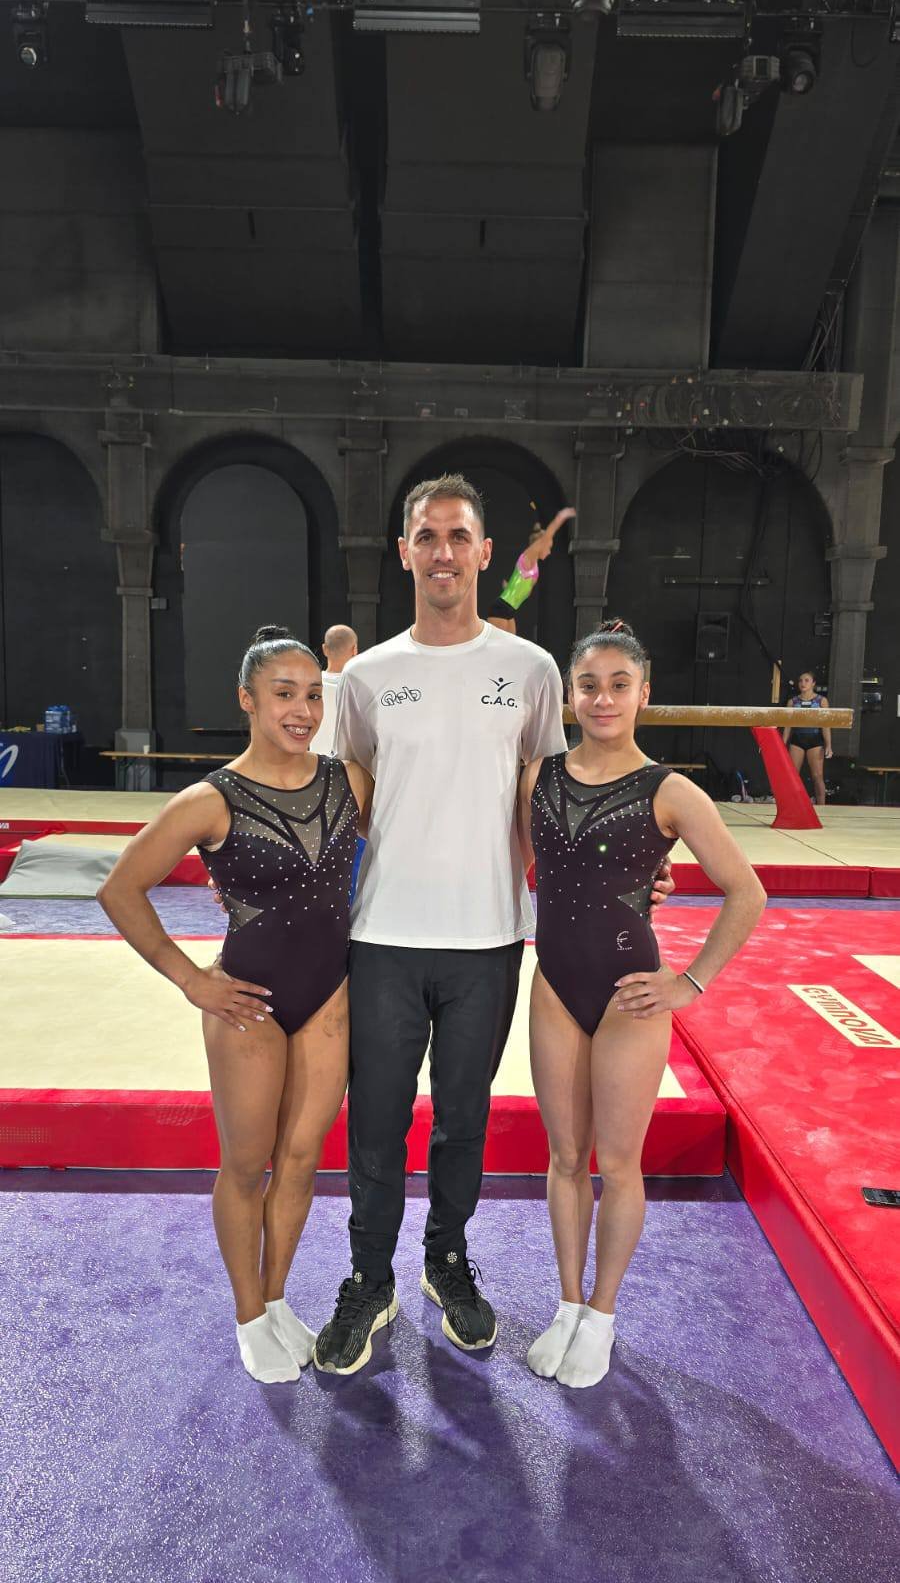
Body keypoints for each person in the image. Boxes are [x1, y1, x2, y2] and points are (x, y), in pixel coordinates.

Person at [312, 475, 675, 1377]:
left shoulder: (534, 672)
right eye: (426, 536)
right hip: (386, 932)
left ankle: (445, 1259)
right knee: (377, 1122)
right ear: (405, 552)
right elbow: (340, 793)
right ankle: (368, 1276)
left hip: (489, 937)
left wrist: (630, 879)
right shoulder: (367, 676)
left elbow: (562, 799)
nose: (442, 551)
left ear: (483, 554)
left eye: (458, 536)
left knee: (462, 1120)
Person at [97, 626, 373, 1385]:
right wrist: (190, 978)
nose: (302, 709)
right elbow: (120, 890)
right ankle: (249, 1313)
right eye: (284, 694)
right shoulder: (210, 798)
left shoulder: (348, 782)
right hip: (247, 1001)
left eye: (314, 694)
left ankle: (279, 1297)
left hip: (328, 995)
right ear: (247, 699)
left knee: (302, 1157)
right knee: (247, 1164)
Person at [518, 620, 766, 1389]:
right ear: (570, 694)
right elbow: (531, 866)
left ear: (643, 694)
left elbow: (746, 892)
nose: (602, 698)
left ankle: (602, 1312)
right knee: (564, 1158)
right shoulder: (537, 777)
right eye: (588, 684)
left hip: (632, 993)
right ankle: (565, 1303)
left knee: (617, 1163)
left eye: (618, 684)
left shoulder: (670, 789)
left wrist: (688, 982)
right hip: (555, 984)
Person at [487, 505, 576, 634]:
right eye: (548, 547)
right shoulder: (528, 559)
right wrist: (561, 517)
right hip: (500, 609)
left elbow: (522, 589)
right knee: (499, 649)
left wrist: (511, 587)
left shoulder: (533, 566)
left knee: (512, 649)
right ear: (540, 545)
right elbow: (547, 536)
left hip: (509, 610)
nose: (549, 551)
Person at [782, 671, 832, 806]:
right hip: (797, 740)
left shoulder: (821, 701)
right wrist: (782, 744)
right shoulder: (792, 702)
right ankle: (790, 806)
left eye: (806, 680)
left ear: (813, 683)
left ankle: (822, 807)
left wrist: (828, 745)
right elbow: (788, 726)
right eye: (800, 681)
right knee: (793, 777)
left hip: (815, 741)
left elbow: (825, 725)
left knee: (817, 777)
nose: (803, 683)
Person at [310, 623, 358, 756]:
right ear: (354, 650)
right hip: (349, 769)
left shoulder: (309, 686)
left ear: (324, 649)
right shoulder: (362, 689)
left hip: (315, 767)